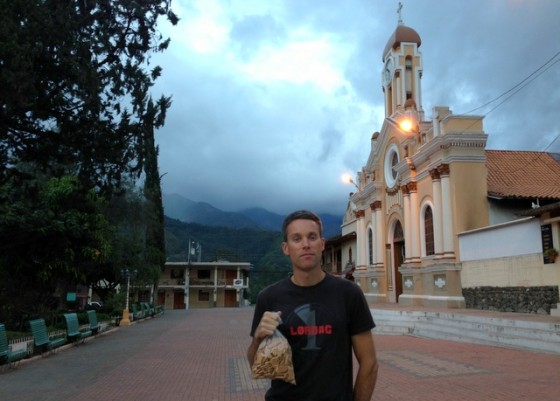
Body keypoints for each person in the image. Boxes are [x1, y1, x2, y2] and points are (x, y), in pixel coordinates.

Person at [247, 210, 378, 401]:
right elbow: (256, 365)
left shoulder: (349, 294)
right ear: (286, 248)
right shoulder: (269, 297)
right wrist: (257, 339)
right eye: (297, 239)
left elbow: (369, 362)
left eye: (312, 237)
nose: (306, 245)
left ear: (322, 244)